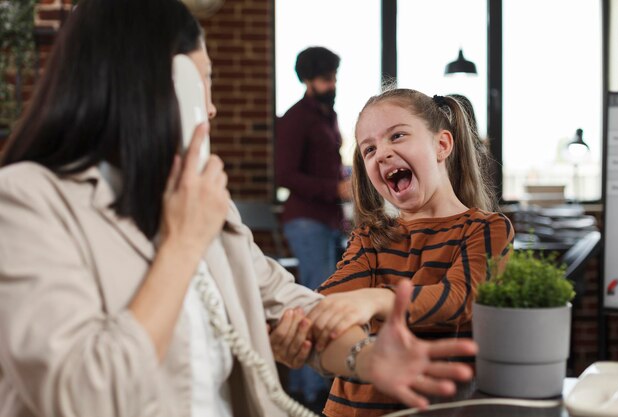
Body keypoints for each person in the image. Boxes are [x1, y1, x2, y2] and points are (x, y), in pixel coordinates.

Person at [0, 2, 478, 417]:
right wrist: (184, 242)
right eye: (204, 83)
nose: (210, 109)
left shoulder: (205, 199)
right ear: (157, 87)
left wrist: (370, 358)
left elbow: (288, 304)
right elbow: (82, 396)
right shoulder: (26, 201)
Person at [275, 89, 515, 417]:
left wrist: (376, 300)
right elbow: (329, 303)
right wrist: (301, 328)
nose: (382, 153)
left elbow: (461, 297)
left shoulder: (485, 230)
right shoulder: (371, 238)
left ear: (442, 145)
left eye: (397, 136)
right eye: (369, 149)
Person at [274, 45, 351, 408]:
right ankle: (307, 393)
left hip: (331, 220)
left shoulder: (328, 116)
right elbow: (284, 174)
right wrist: (333, 188)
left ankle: (320, 384)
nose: (331, 83)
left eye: (334, 77)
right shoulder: (295, 119)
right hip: (305, 220)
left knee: (328, 299)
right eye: (325, 78)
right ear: (307, 80)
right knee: (314, 303)